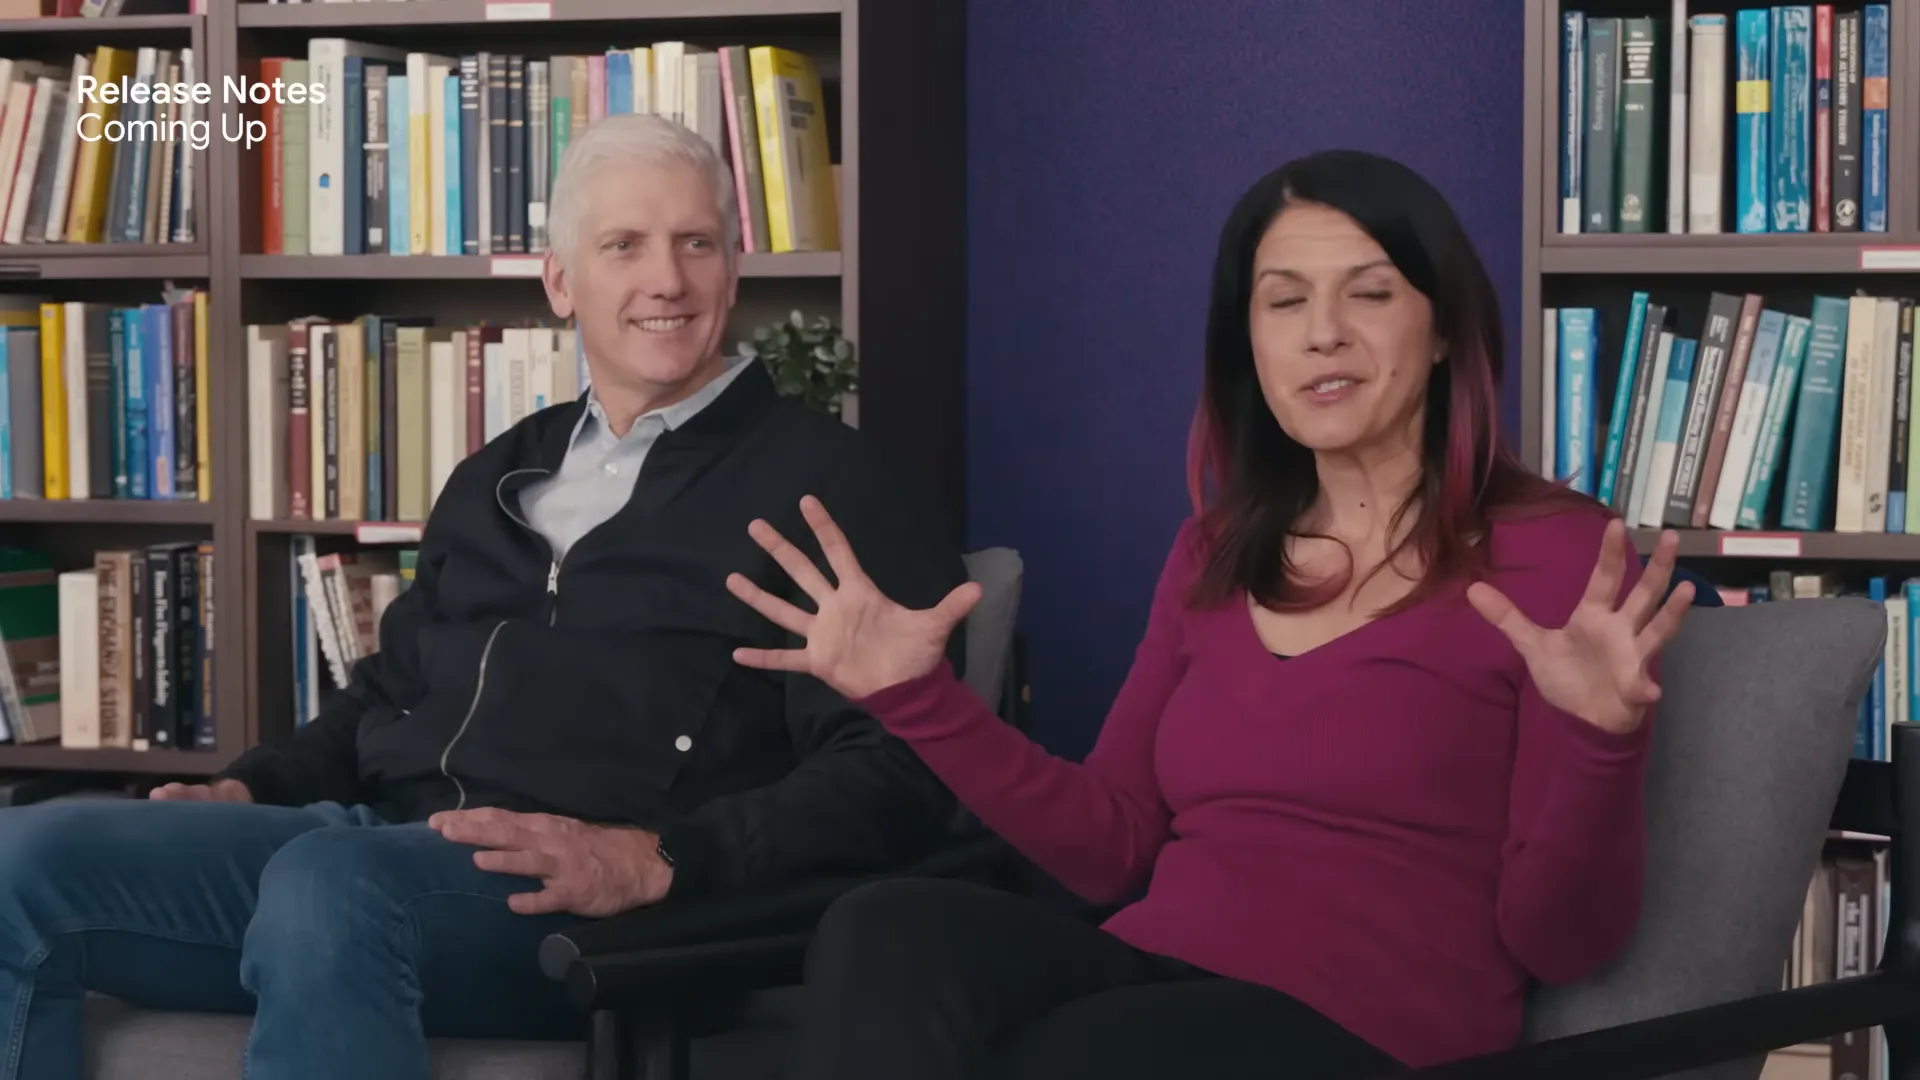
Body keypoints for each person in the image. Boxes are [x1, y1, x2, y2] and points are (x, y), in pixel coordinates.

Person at [0, 113, 966, 1080]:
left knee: (328, 883)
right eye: (623, 246)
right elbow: (391, 695)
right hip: (390, 851)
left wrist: (660, 856)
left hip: (618, 912)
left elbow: (897, 771)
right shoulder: (498, 475)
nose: (665, 279)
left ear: (733, 267)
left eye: (696, 243)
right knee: (21, 861)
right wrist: (252, 786)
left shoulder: (829, 489)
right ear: (560, 283)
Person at [726, 148, 1694, 1080]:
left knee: (1064, 1058)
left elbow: (1562, 944)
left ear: (1443, 328)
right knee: (883, 926)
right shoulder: (1216, 554)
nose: (1323, 332)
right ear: (1251, 345)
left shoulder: (1559, 554)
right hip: (1157, 980)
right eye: (1283, 301)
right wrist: (917, 698)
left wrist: (1601, 738)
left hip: (1373, 1034)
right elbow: (1110, 850)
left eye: (1370, 291)